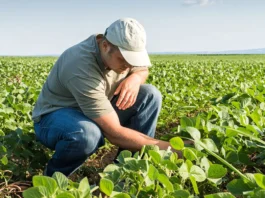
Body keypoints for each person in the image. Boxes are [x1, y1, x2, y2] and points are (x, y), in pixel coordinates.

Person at [32, 18, 181, 177]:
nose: (129, 66)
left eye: (133, 60)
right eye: (124, 60)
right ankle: (52, 180)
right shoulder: (79, 65)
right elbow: (114, 133)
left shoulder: (119, 49)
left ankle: (125, 173)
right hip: (56, 117)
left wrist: (135, 78)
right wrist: (172, 150)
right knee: (87, 134)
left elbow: (142, 69)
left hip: (97, 109)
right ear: (105, 46)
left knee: (150, 95)